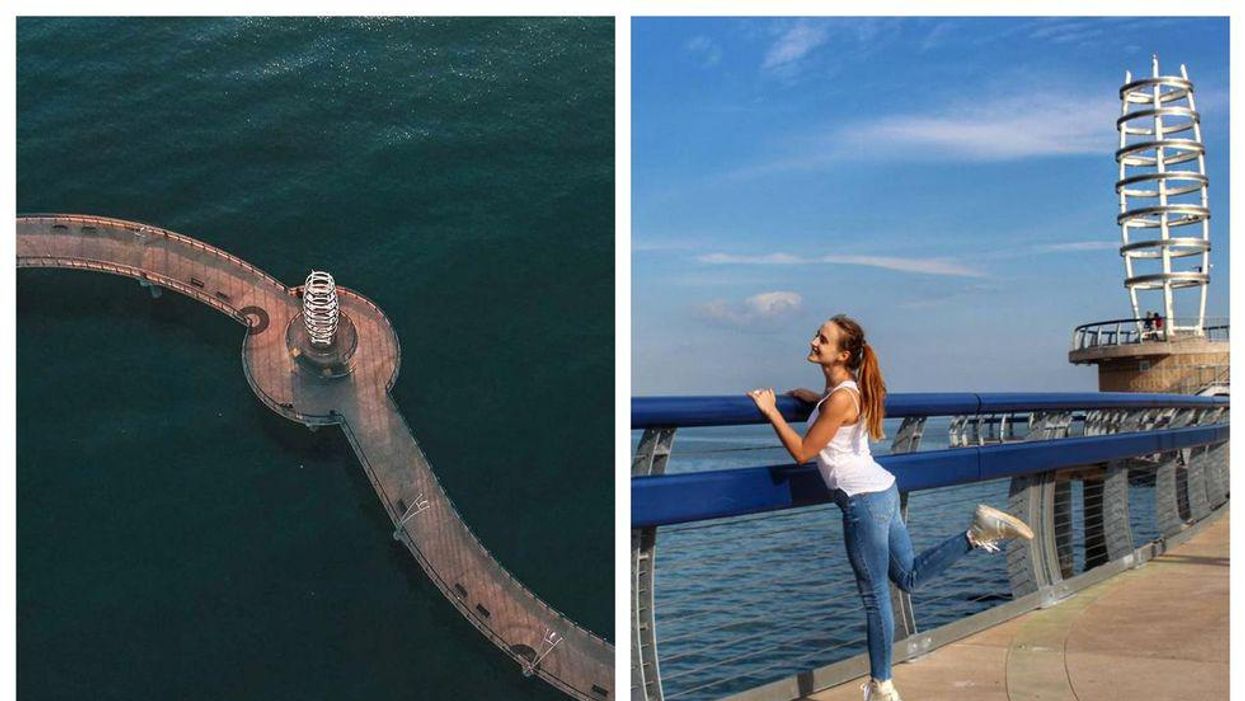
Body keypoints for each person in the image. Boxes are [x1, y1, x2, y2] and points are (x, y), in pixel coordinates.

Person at [746, 314, 1034, 701]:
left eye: (824, 339)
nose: (814, 341)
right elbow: (837, 414)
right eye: (817, 335)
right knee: (909, 577)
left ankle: (882, 686)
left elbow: (802, 453)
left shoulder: (842, 398)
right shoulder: (846, 392)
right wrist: (812, 401)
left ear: (844, 353)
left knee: (875, 596)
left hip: (862, 503)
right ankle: (977, 532)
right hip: (883, 492)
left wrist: (772, 411)